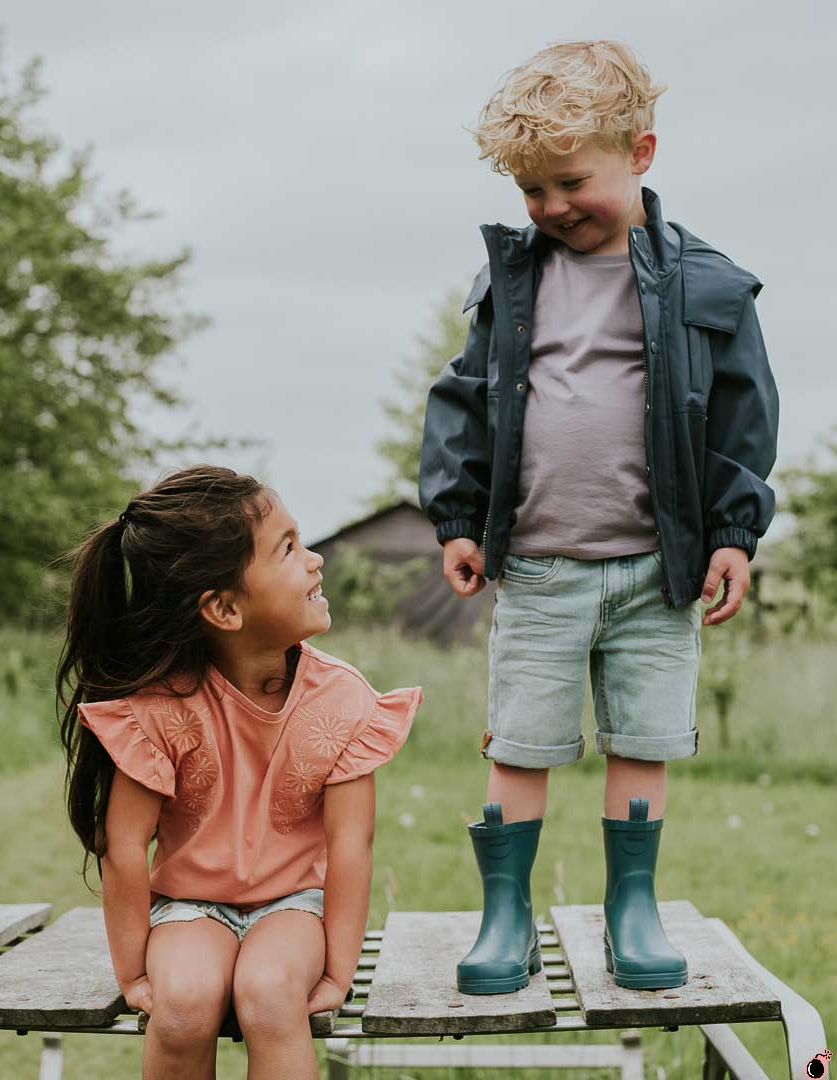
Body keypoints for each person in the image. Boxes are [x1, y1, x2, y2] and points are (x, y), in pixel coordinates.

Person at [419, 40, 778, 994]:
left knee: (645, 741)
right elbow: (463, 397)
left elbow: (744, 415)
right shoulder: (513, 282)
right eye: (532, 190)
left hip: (658, 572)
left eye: (571, 181)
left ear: (642, 154)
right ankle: (506, 916)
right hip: (538, 567)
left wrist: (735, 535)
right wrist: (457, 515)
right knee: (522, 743)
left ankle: (634, 908)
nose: (551, 207)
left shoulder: (706, 285)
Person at [56, 465, 421, 1079]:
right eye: (288, 549)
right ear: (224, 607)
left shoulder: (343, 700)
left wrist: (338, 967)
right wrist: (133, 970)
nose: (315, 561)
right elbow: (124, 844)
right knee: (183, 1007)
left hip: (293, 906)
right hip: (189, 907)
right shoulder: (162, 710)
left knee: (271, 995)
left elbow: (350, 843)